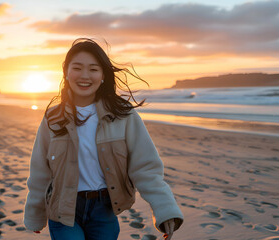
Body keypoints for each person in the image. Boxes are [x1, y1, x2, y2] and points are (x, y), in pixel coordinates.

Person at [23, 38, 183, 240]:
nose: (84, 76)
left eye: (93, 69)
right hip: (63, 210)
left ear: (103, 75)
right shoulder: (54, 118)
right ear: (66, 72)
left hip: (104, 210)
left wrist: (165, 210)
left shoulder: (123, 115)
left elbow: (145, 166)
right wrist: (35, 214)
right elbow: (40, 171)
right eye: (77, 68)